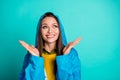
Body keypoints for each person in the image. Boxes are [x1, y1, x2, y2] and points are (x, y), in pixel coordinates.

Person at [19, 12, 81, 80]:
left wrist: (65, 57)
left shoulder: (71, 54)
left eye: (55, 26)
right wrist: (36, 59)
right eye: (45, 27)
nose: (50, 31)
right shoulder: (32, 54)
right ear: (40, 31)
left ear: (60, 30)